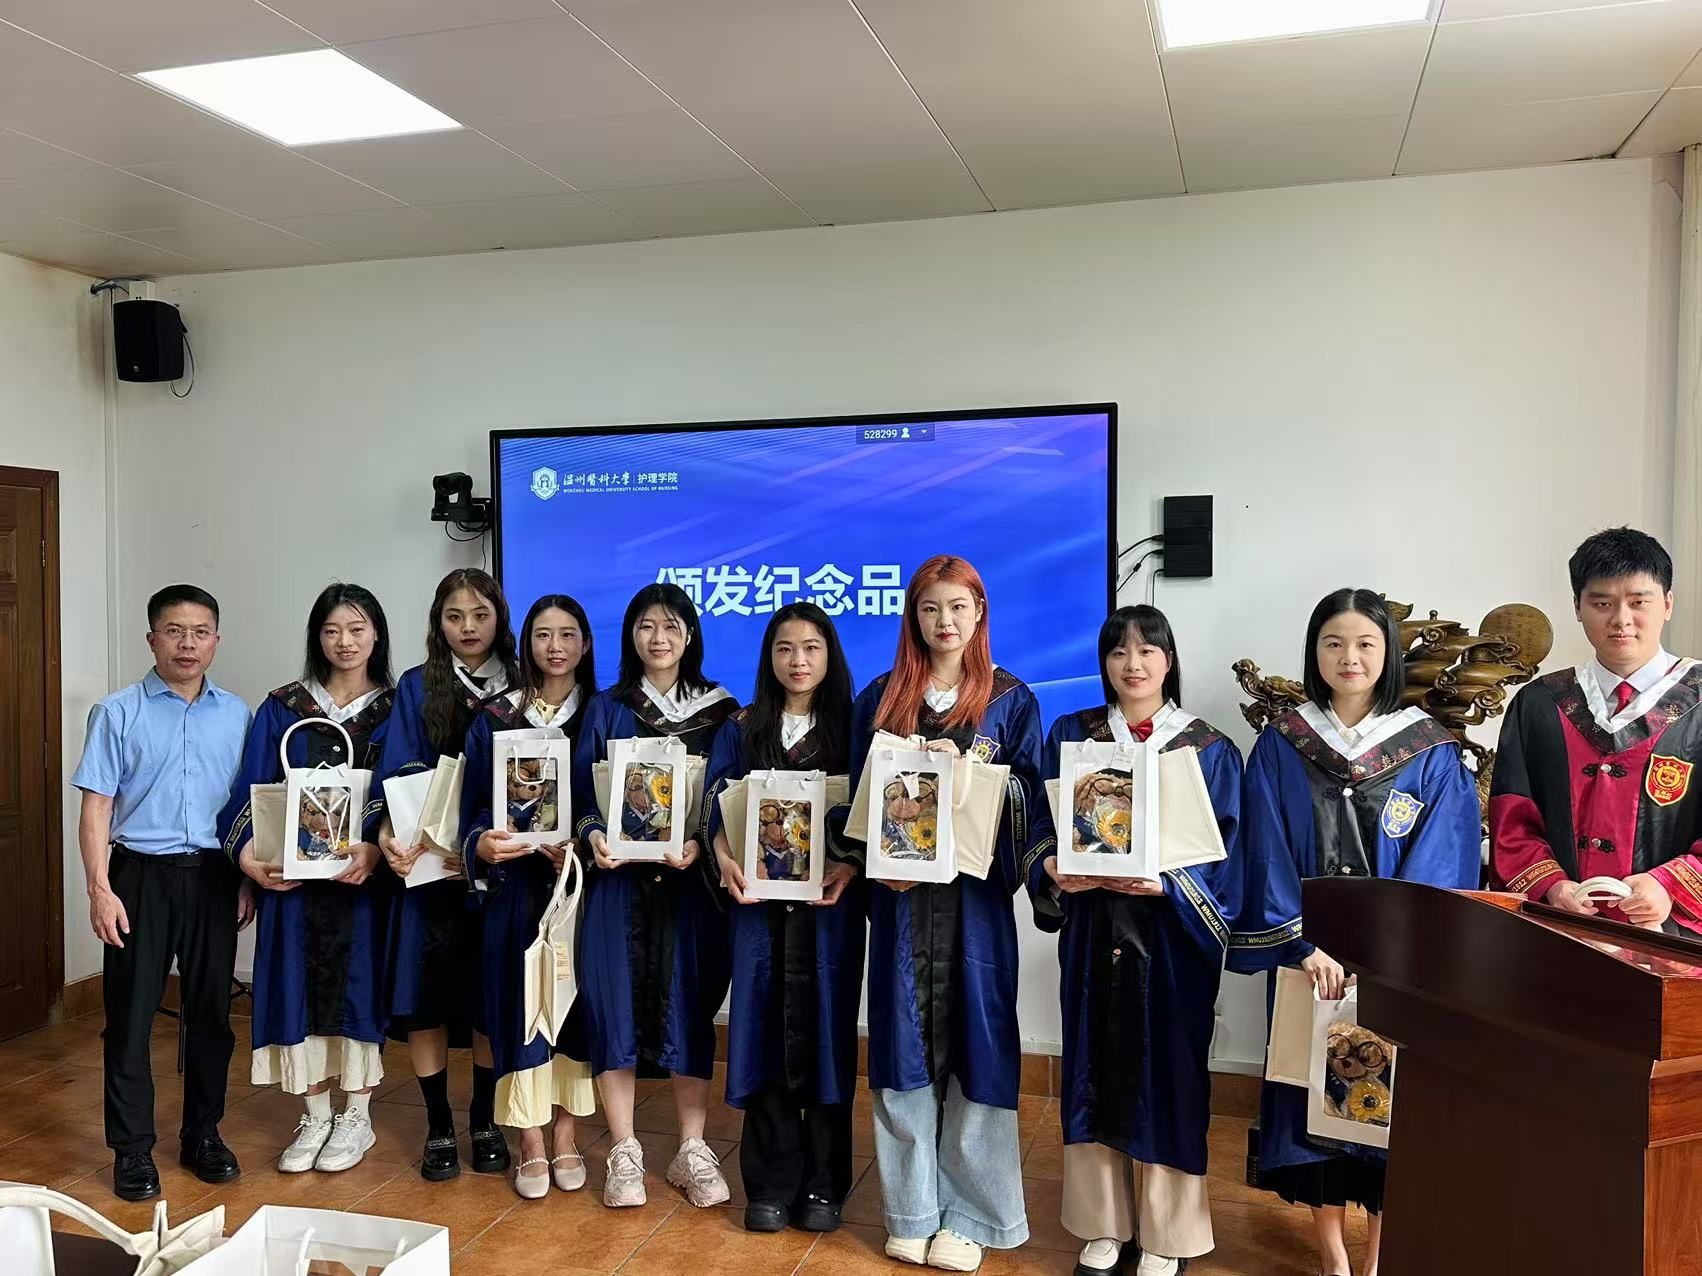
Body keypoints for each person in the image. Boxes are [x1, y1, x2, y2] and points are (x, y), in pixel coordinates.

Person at [1229, 588, 1481, 1276]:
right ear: (1314, 652)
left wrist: (1388, 954)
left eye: (1366, 643)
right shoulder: (1282, 745)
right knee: (1310, 1104)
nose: (1350, 657)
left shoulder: (1428, 751)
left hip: (1392, 971)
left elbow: (1442, 863)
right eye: (1333, 643)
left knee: (1391, 1116)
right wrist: (1303, 944)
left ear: (1388, 653)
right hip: (1309, 964)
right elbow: (1264, 850)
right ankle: (1334, 1258)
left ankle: (1376, 1261)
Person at [848, 555, 1053, 1272]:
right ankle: (911, 1209)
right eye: (931, 608)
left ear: (979, 613)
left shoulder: (1010, 700)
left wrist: (969, 778)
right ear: (913, 615)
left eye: (958, 607)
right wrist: (883, 858)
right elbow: (855, 806)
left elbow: (1033, 800)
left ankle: (969, 1216)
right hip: (902, 905)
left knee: (979, 1046)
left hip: (975, 905)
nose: (945, 621)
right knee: (901, 1047)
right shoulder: (882, 697)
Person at [1034, 605, 1244, 1276]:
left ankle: (1166, 1232)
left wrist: (1171, 885)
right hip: (1094, 932)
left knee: (1168, 1072)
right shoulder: (1073, 735)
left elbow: (1229, 856)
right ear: (1104, 663)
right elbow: (1040, 823)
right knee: (1092, 1067)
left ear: (1169, 660)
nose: (1133, 664)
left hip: (1171, 940)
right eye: (1119, 651)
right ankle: (1102, 1224)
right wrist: (1051, 865)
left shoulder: (1207, 749)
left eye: (1147, 650)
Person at [72, 584, 252, 1202]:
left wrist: (245, 877)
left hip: (213, 876)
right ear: (152, 639)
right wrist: (99, 889)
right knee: (129, 1019)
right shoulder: (117, 712)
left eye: (200, 632)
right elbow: (96, 808)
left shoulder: (237, 714)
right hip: (138, 878)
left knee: (212, 1017)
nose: (187, 644)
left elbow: (248, 805)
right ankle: (131, 1150)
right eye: (174, 631)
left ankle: (203, 1136)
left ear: (216, 641)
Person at [571, 582, 740, 1210]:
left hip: (690, 888)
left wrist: (701, 841)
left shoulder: (722, 713)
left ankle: (691, 1148)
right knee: (612, 1004)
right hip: (617, 885)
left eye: (671, 626)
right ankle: (624, 1149)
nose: (659, 638)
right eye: (646, 626)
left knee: (688, 1009)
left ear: (690, 635)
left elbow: (728, 793)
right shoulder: (607, 707)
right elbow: (582, 794)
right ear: (631, 636)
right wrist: (594, 835)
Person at [217, 584, 395, 1175]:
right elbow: (250, 788)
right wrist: (248, 859)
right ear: (317, 637)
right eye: (332, 630)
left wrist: (375, 847)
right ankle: (315, 1114)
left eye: (357, 629)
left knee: (360, 988)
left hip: (360, 882)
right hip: (291, 885)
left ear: (376, 635)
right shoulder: (283, 708)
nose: (345, 642)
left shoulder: (396, 709)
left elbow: (405, 788)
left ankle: (357, 1115)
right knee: (294, 987)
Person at [704, 602, 863, 1234]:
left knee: (827, 1035)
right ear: (768, 657)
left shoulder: (855, 727)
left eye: (811, 648)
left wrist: (849, 864)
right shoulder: (742, 728)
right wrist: (723, 859)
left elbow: (870, 820)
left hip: (828, 913)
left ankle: (824, 1182)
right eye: (784, 648)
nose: (798, 661)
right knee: (764, 1033)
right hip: (759, 914)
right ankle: (769, 1183)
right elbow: (715, 809)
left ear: (830, 655)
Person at [368, 568, 518, 1181]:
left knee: (487, 999)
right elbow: (396, 772)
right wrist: (391, 835)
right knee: (425, 999)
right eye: (454, 617)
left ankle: (484, 1117)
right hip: (429, 873)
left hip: (495, 870)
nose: (468, 628)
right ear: (438, 623)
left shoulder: (521, 685)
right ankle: (437, 1123)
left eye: (480, 615)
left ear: (499, 618)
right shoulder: (417, 685)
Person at [1492, 527, 1702, 932]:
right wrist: (1552, 886)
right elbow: (1512, 822)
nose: (1621, 620)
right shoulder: (1539, 705)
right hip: (1559, 933)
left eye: (1639, 602)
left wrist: (1669, 885)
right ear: (1577, 606)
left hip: (1675, 940)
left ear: (1667, 604)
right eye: (1602, 603)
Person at [461, 594, 599, 1200]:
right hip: (513, 890)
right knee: (520, 1009)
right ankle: (531, 1141)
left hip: (578, 888)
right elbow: (470, 808)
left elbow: (611, 800)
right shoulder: (496, 717)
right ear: (527, 643)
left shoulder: (602, 714)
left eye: (567, 634)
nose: (555, 647)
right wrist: (482, 845)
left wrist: (586, 839)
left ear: (585, 643)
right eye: (543, 634)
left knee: (577, 1009)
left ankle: (566, 1133)